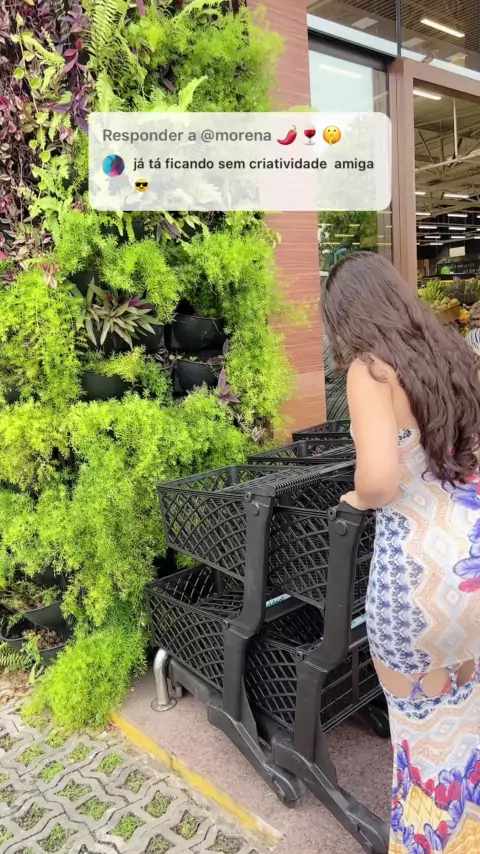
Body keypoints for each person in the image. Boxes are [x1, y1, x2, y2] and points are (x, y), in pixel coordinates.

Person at [323, 251, 480, 854]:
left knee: (421, 750)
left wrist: (355, 495)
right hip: (470, 567)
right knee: (467, 734)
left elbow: (380, 480)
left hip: (415, 584)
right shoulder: (451, 354)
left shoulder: (370, 371)